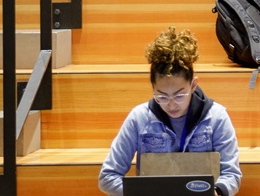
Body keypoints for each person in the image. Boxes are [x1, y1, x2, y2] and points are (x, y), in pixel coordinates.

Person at [98, 27, 241, 196]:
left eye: (179, 95)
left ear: (193, 85)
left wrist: (216, 192)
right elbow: (108, 176)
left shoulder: (216, 117)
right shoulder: (139, 118)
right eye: (162, 96)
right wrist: (144, 193)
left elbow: (231, 175)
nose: (172, 105)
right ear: (153, 88)